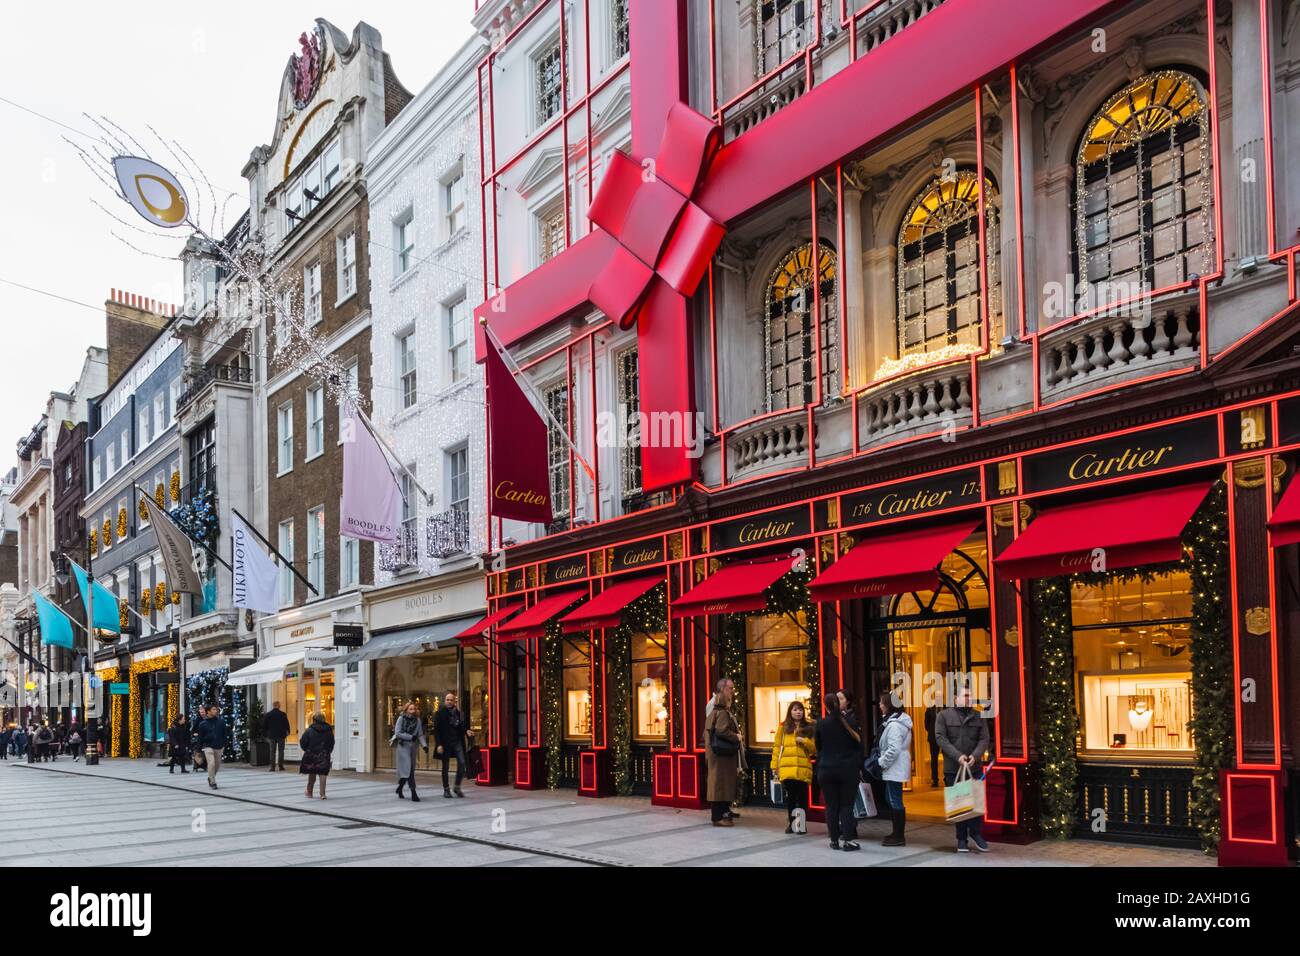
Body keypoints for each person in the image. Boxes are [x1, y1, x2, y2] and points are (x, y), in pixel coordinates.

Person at [935, 685, 991, 853]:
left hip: (974, 767)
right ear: (955, 699)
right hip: (954, 768)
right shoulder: (943, 716)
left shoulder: (979, 715)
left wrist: (976, 755)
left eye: (970, 695)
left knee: (975, 802)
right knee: (959, 804)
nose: (969, 698)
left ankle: (976, 833)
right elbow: (941, 739)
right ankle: (961, 839)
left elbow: (984, 739)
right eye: (965, 695)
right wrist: (958, 756)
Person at [815, 693, 863, 851]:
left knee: (831, 806)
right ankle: (848, 840)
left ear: (825, 706)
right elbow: (859, 747)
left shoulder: (821, 723)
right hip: (848, 770)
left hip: (827, 770)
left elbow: (819, 747)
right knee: (846, 806)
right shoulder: (849, 721)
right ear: (838, 704)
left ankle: (834, 840)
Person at [770, 700, 816, 834]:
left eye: (800, 709)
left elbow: (814, 749)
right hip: (787, 767)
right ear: (790, 712)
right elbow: (777, 747)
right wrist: (774, 766)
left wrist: (805, 741)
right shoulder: (783, 727)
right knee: (791, 798)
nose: (798, 712)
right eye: (795, 709)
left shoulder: (809, 727)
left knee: (802, 799)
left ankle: (801, 825)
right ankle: (792, 824)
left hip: (802, 768)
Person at [876, 691, 913, 847]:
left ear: (888, 705)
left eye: (882, 702)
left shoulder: (895, 725)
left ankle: (898, 836)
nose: (880, 705)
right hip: (896, 766)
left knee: (894, 799)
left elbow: (893, 749)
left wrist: (881, 762)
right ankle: (896, 833)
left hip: (894, 766)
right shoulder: (897, 722)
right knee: (892, 798)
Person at [703, 679, 741, 827]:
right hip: (720, 753)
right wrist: (736, 737)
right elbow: (720, 730)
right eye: (730, 689)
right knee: (719, 784)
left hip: (717, 753)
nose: (732, 692)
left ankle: (723, 813)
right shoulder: (719, 709)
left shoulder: (716, 710)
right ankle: (718, 816)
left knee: (720, 784)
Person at [433, 692, 471, 798]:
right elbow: (436, 730)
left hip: (457, 742)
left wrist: (467, 731)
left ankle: (457, 787)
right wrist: (439, 744)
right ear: (445, 701)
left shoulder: (459, 713)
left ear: (455, 701)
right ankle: (446, 789)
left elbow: (462, 726)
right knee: (445, 767)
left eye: (451, 700)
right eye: (447, 700)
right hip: (445, 744)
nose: (449, 702)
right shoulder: (440, 713)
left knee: (462, 764)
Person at [392, 701, 427, 801]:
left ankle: (400, 787)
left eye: (414, 709)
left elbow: (420, 734)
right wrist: (411, 737)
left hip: (413, 748)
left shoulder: (418, 720)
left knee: (407, 771)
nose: (412, 711)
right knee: (409, 770)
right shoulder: (401, 719)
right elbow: (397, 733)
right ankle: (413, 793)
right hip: (402, 747)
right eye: (410, 709)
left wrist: (424, 746)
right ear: (406, 710)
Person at [299, 712, 335, 800]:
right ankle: (322, 794)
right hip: (324, 754)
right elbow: (331, 742)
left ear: (314, 719)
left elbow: (303, 742)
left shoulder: (309, 730)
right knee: (323, 774)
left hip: (312, 754)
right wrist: (328, 751)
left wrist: (307, 750)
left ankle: (309, 792)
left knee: (312, 772)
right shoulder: (328, 730)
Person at [195, 705, 227, 789]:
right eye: (213, 709)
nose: (216, 711)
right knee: (211, 763)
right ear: (208, 711)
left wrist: (224, 745)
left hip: (219, 746)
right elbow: (200, 738)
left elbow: (225, 734)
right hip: (208, 746)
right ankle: (213, 782)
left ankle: (210, 777)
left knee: (217, 765)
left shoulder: (221, 722)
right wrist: (198, 750)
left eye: (216, 709)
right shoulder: (203, 724)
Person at [263, 700, 291, 772]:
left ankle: (272, 767)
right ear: (278, 706)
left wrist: (266, 734)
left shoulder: (268, 714)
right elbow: (286, 724)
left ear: (273, 706)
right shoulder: (283, 714)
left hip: (272, 735)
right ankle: (281, 766)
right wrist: (288, 732)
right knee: (281, 751)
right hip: (281, 735)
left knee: (272, 751)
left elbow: (264, 726)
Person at [924, 703, 941, 787]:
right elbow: (926, 725)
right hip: (933, 738)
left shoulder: (946, 708)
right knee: (934, 760)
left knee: (948, 758)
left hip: (945, 737)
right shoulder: (929, 709)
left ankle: (947, 779)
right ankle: (935, 780)